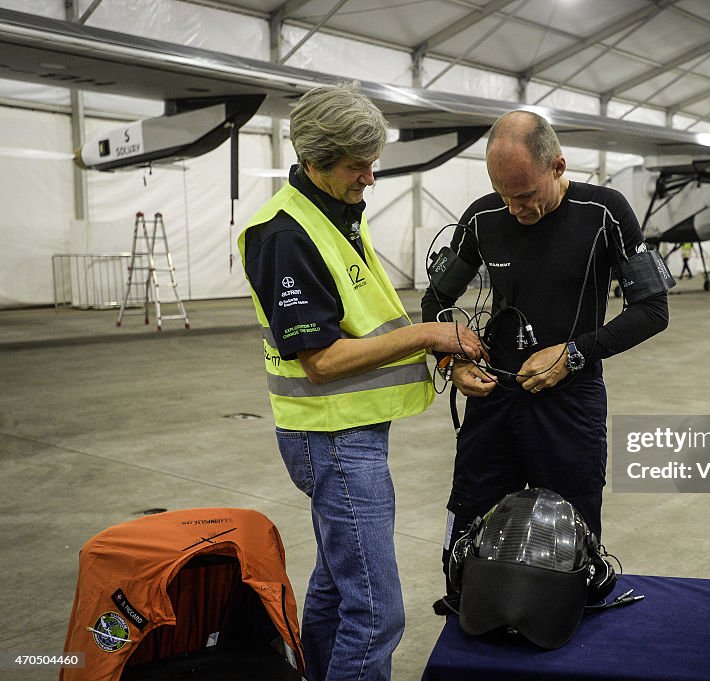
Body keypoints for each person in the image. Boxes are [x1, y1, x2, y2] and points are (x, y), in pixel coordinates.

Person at [238, 82, 484, 681]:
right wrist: (430, 338)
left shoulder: (336, 212)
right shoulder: (286, 236)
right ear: (315, 162)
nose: (370, 177)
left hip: (353, 432)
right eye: (358, 166)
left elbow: (368, 316)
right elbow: (319, 361)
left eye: (373, 164)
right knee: (377, 613)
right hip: (333, 440)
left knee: (334, 587)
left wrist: (439, 355)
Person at [421, 110, 669, 596]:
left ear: (558, 166)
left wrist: (573, 355)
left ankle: (563, 610)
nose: (516, 209)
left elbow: (653, 309)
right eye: (505, 196)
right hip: (492, 398)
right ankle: (468, 603)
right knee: (472, 507)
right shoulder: (481, 217)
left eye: (528, 195)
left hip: (570, 401)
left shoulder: (605, 212)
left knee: (572, 518)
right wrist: (454, 360)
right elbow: (434, 302)